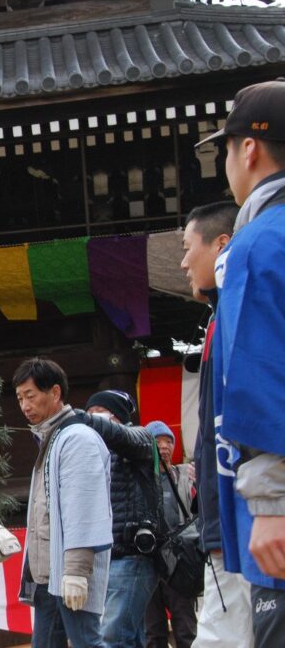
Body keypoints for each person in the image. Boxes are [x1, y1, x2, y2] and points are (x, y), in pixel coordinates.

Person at [196, 78, 285, 645]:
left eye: (226, 148)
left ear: (247, 149)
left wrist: (271, 503)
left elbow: (262, 373)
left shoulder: (257, 243)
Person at [179, 200, 253, 648]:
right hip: (230, 522)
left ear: (221, 244)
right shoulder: (217, 321)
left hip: (239, 522)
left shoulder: (233, 318)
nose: (184, 260)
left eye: (189, 247)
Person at [14, 358, 112, 648]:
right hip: (48, 574)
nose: (24, 406)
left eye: (30, 396)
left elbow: (83, 509)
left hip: (68, 571)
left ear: (55, 393)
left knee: (87, 642)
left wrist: (76, 572)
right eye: (20, 398)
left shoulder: (76, 438)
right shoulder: (52, 438)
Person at [79, 389, 162, 648]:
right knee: (130, 636)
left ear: (119, 417)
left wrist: (83, 419)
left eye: (100, 414)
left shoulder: (141, 437)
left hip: (133, 555)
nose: (92, 419)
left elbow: (122, 436)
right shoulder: (94, 452)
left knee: (112, 637)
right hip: (107, 556)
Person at [143, 421, 197, 648]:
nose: (164, 446)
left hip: (179, 560)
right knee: (153, 632)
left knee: (185, 628)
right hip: (148, 561)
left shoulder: (184, 475)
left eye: (169, 441)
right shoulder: (139, 478)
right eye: (158, 441)